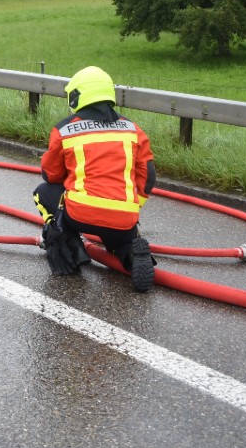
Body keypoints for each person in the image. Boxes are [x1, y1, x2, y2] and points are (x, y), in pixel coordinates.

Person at [32, 66, 158, 292]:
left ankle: (72, 250)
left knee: (43, 192)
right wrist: (133, 207)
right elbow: (148, 178)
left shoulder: (64, 130)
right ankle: (131, 253)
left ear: (77, 95)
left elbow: (51, 175)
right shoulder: (133, 129)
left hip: (81, 214)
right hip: (124, 218)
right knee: (120, 237)